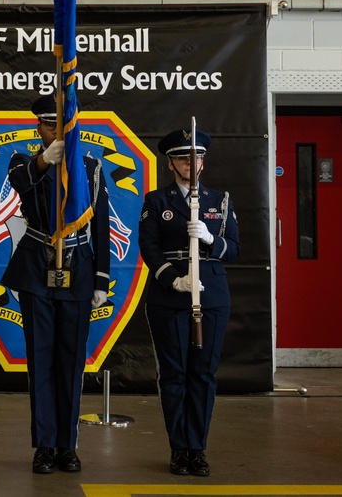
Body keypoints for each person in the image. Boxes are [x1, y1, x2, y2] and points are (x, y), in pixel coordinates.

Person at [1, 94, 111, 474]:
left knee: (71, 362)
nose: (57, 130)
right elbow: (20, 183)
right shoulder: (25, 162)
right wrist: (46, 160)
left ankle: (68, 444)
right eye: (50, 124)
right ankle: (45, 445)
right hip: (36, 267)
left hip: (78, 270)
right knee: (42, 362)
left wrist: (101, 277)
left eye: (63, 124)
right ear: (39, 127)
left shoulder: (91, 168)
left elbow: (100, 224)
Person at [139, 127, 240, 477]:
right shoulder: (157, 201)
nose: (191, 162)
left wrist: (211, 238)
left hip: (210, 293)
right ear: (171, 164)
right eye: (183, 157)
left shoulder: (219, 200)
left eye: (196, 156)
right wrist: (173, 278)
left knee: (203, 374)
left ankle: (197, 447)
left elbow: (235, 249)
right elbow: (149, 248)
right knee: (174, 374)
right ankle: (178, 448)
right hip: (170, 295)